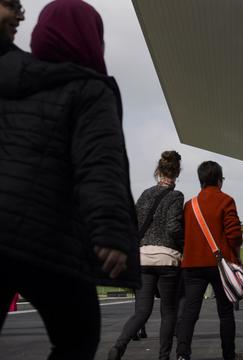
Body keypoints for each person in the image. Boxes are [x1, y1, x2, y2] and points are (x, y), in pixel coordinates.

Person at [0, 1, 140, 359]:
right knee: (77, 336)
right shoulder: (90, 89)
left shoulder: (7, 77)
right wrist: (109, 232)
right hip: (45, 237)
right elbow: (99, 165)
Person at [108, 151, 184, 360]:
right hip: (167, 258)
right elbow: (173, 227)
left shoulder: (144, 194)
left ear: (158, 171)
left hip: (142, 257)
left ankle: (119, 346)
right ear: (177, 173)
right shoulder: (176, 196)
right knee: (168, 311)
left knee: (142, 310)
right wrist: (184, 246)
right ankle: (163, 356)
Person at [176, 161, 243, 360]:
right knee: (225, 312)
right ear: (218, 180)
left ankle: (182, 353)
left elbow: (182, 233)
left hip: (192, 265)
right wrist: (237, 257)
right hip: (220, 265)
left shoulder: (190, 205)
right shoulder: (226, 201)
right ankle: (228, 355)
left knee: (190, 311)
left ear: (201, 181)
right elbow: (234, 234)